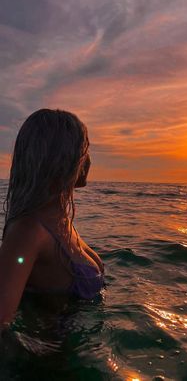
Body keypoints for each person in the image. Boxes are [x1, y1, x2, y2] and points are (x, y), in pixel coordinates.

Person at [0, 108, 105, 334]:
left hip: (78, 356)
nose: (88, 161)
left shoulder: (60, 221)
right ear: (62, 160)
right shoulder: (28, 232)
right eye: (83, 150)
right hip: (47, 364)